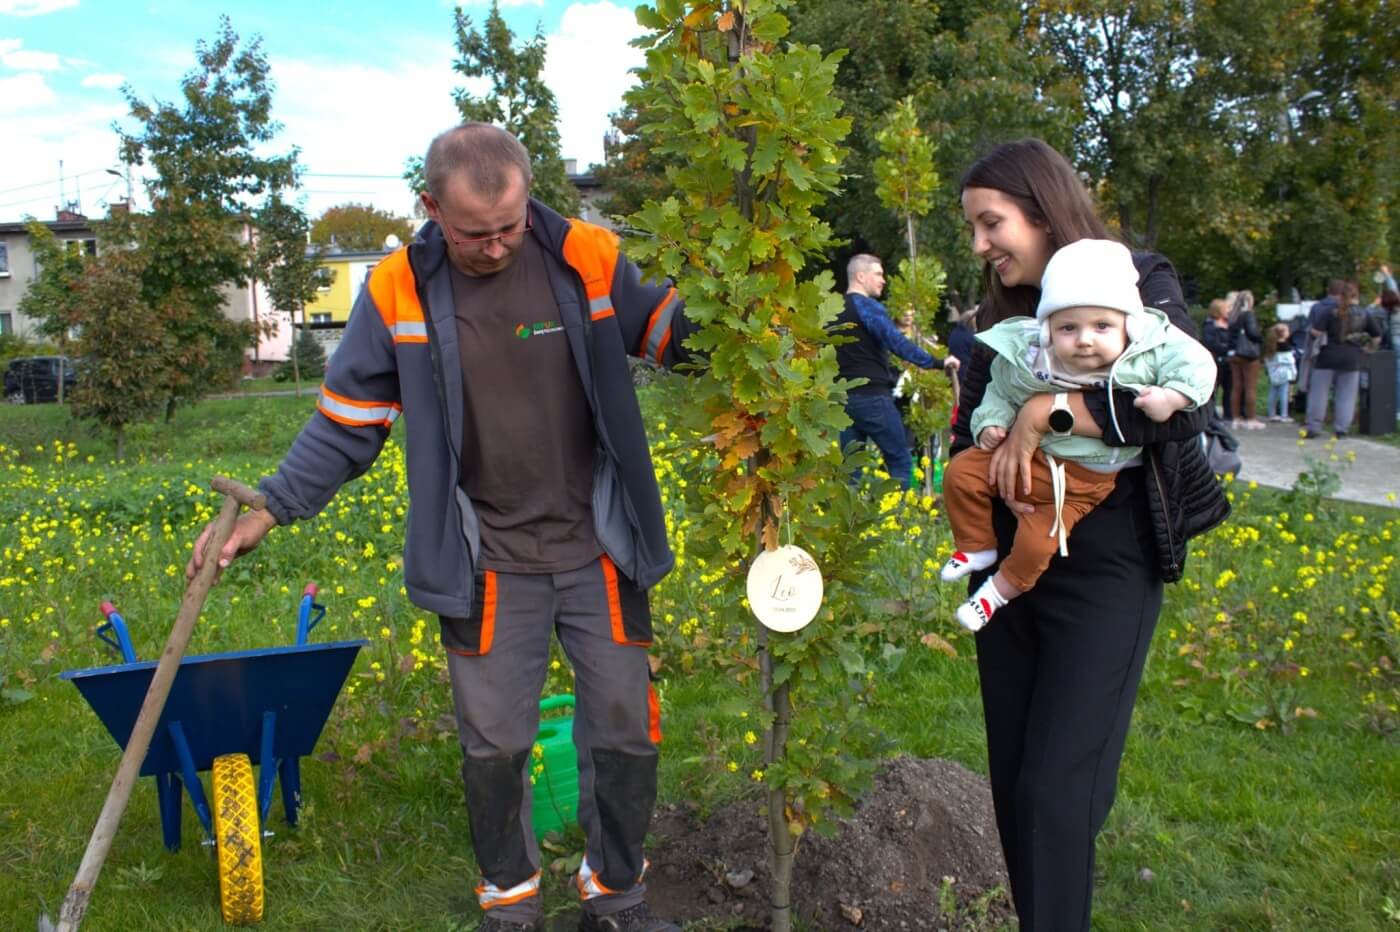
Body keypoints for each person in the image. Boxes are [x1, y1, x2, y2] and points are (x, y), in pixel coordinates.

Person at [187, 123, 693, 932]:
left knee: (625, 731)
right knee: (493, 745)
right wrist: (273, 505)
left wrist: (757, 330)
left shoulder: (586, 256)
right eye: (474, 234)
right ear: (430, 207)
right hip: (484, 558)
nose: (496, 248)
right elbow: (349, 423)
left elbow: (671, 334)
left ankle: (617, 895)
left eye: (509, 227)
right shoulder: (397, 289)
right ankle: (511, 902)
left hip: (600, 547)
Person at [952, 138, 1229, 931]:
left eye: (990, 223)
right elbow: (966, 433)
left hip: (1109, 558)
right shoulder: (1000, 324)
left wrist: (1051, 413)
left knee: (1059, 785)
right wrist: (988, 440)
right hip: (1007, 561)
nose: (980, 245)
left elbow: (1184, 404)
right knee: (1018, 783)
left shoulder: (1141, 282)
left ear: (1041, 213)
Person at [941, 238, 1215, 632]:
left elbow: (1199, 366)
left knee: (1038, 544)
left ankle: (995, 594)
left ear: (1128, 326)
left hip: (1081, 484)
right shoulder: (1035, 357)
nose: (1085, 339)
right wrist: (991, 422)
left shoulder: (1148, 351)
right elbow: (1000, 387)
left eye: (1102, 326)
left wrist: (1172, 396)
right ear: (1049, 330)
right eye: (1068, 328)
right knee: (960, 473)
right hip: (1030, 460)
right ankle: (976, 545)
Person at [835, 253, 959, 486]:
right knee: (900, 461)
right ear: (861, 276)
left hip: (843, 401)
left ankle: (848, 521)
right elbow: (897, 342)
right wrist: (938, 362)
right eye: (878, 274)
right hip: (873, 397)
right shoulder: (868, 307)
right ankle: (900, 518)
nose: (883, 280)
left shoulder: (833, 310)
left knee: (850, 472)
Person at [1304, 279, 1384, 439]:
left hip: (1327, 357)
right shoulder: (1365, 314)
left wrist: (1310, 332)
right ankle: (1341, 429)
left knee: (1319, 394)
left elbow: (1316, 333)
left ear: (1340, 296)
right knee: (1346, 395)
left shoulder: (1329, 312)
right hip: (1352, 358)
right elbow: (1377, 336)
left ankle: (1314, 427)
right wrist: (1368, 349)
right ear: (1357, 296)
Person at [1226, 290, 1264, 429]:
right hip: (1248, 355)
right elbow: (1252, 333)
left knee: (1236, 386)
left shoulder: (1233, 316)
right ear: (1249, 301)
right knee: (1250, 387)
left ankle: (1236, 419)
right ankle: (1251, 419)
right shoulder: (1248, 315)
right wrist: (1261, 338)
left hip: (1234, 354)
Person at [1199, 298, 1233, 418]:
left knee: (1229, 388)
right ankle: (1212, 415)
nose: (1229, 311)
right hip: (1216, 359)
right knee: (1214, 388)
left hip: (1229, 361)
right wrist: (1227, 348)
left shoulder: (1229, 323)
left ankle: (1229, 414)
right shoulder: (1209, 325)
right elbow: (1210, 342)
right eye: (1226, 308)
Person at [1263, 322, 1298, 422]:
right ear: (1284, 334)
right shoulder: (1287, 347)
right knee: (1284, 394)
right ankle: (1284, 414)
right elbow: (1291, 361)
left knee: (1272, 393)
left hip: (1273, 372)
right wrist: (1294, 373)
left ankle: (1271, 413)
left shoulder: (1270, 346)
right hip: (1285, 373)